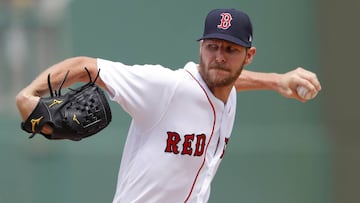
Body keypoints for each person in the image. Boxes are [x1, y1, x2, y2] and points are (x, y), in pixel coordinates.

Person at [16, 8, 321, 203]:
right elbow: (86, 66)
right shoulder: (166, 87)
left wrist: (277, 80)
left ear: (248, 55)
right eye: (212, 46)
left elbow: (226, 80)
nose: (219, 56)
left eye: (230, 49)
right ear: (200, 47)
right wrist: (28, 94)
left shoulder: (225, 91)